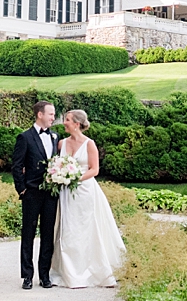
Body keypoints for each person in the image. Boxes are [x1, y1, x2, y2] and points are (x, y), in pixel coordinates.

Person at [49, 109, 126, 288]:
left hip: (85, 192)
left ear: (77, 124)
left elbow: (94, 169)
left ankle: (93, 271)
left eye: (67, 120)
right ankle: (69, 272)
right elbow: (56, 163)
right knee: (68, 229)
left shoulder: (89, 144)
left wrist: (74, 178)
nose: (64, 123)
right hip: (66, 193)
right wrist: (60, 175)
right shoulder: (61, 143)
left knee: (87, 228)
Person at [11, 100, 59, 290]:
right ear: (40, 114)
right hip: (31, 193)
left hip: (51, 194)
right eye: (51, 114)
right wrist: (22, 189)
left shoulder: (55, 137)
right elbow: (17, 165)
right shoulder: (25, 137)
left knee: (48, 234)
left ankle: (44, 275)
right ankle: (27, 276)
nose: (53, 118)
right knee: (28, 234)